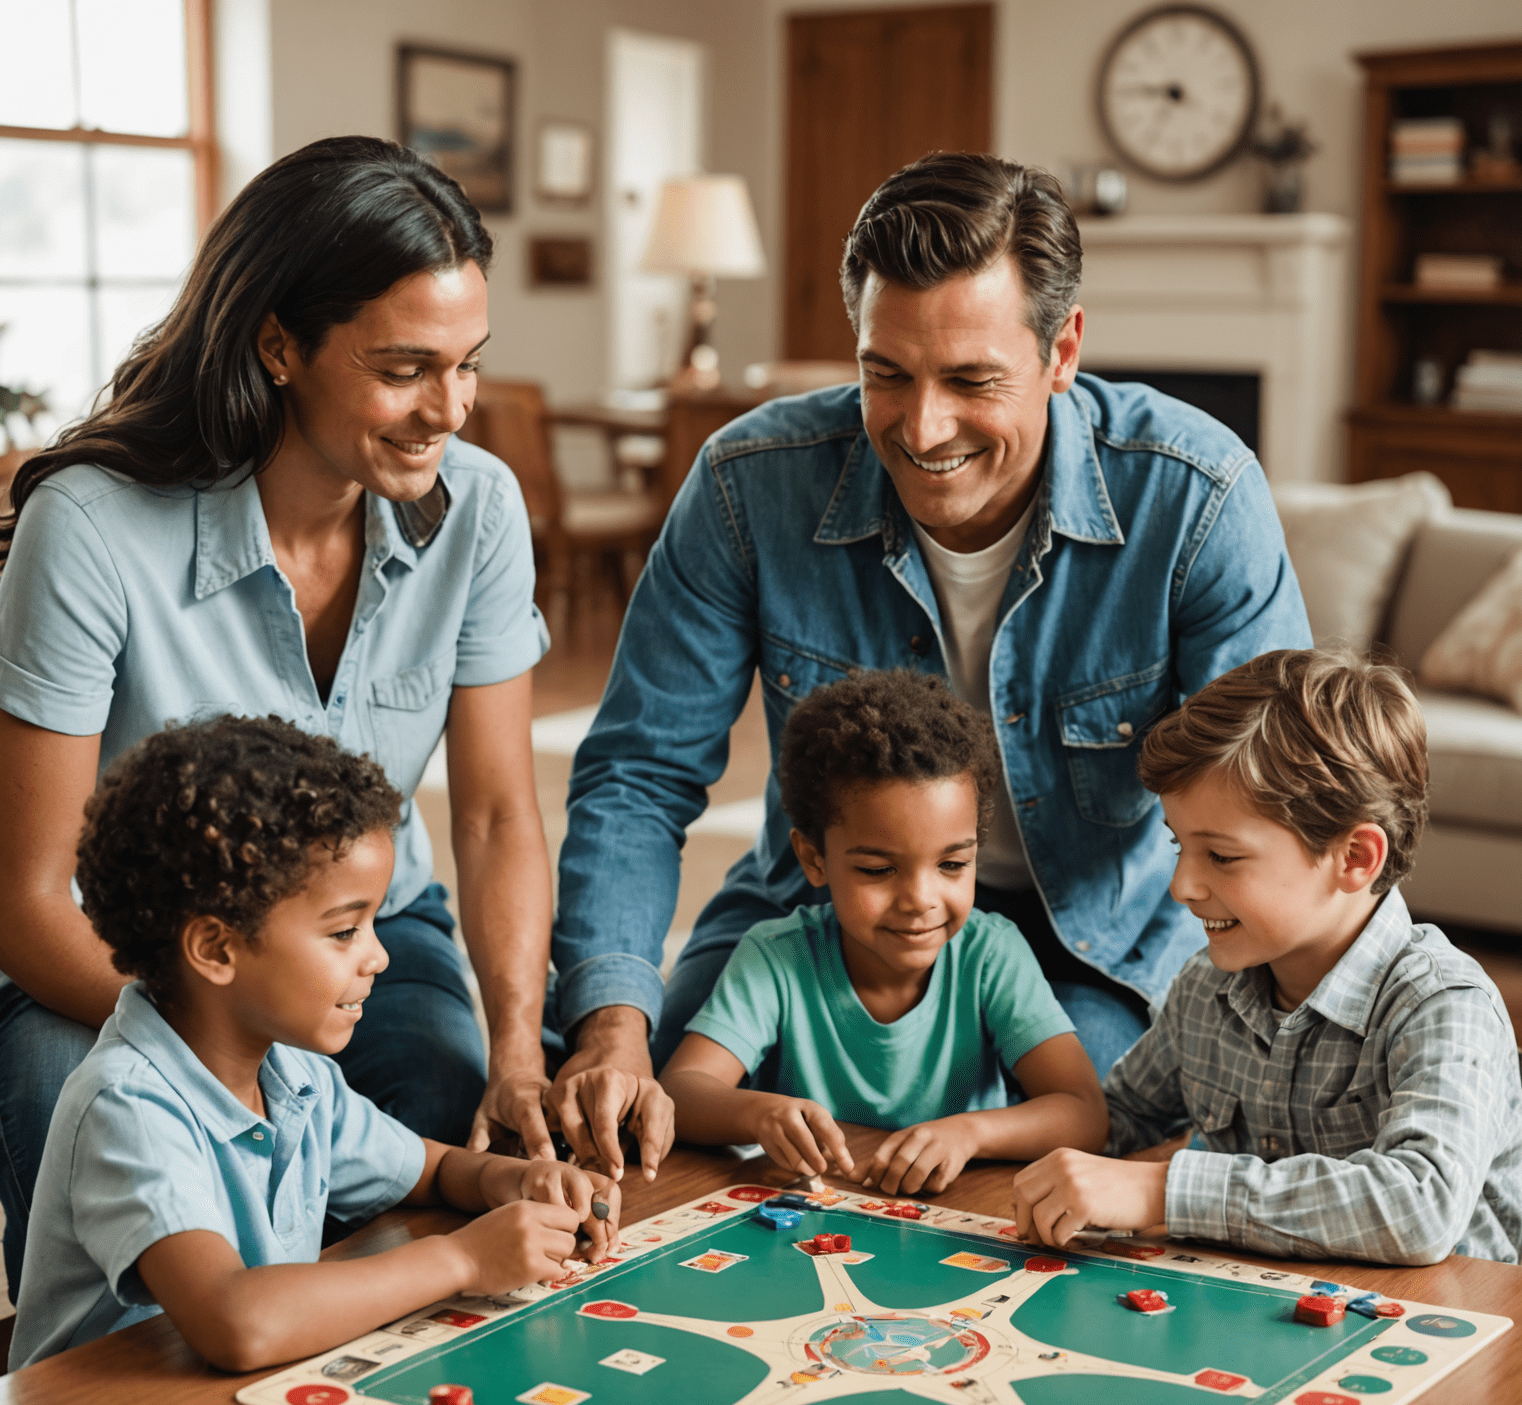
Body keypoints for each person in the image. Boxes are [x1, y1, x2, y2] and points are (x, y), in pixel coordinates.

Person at [0, 136, 669, 1304]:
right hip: (119, 970)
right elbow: (26, 903)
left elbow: (502, 816)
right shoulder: (92, 526)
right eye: (405, 368)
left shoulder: (481, 511)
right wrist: (240, 1040)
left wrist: (515, 1054)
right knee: (139, 1196)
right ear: (278, 346)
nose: (447, 410)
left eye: (467, 365)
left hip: (370, 944)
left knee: (464, 1164)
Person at [551, 151, 1312, 1096]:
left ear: (1062, 350)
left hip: (1092, 945)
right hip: (823, 915)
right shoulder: (748, 485)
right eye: (888, 374)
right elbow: (638, 774)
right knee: (644, 1099)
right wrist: (611, 1028)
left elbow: (1277, 802)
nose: (922, 427)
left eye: (971, 380)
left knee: (1049, 1153)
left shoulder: (1196, 498)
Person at [9, 716, 618, 1370]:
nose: (379, 957)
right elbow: (236, 1321)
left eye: (372, 924)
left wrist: (519, 1180)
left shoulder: (294, 1076)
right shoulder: (126, 1104)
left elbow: (433, 1170)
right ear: (217, 948)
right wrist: (464, 1257)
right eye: (343, 932)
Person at [1012, 650, 1522, 1264]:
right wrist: (968, 1129)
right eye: (1179, 845)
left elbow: (1422, 1205)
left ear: (1356, 858)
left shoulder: (1442, 1006)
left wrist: (1162, 1190)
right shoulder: (1206, 989)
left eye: (1221, 857)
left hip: (1451, 1330)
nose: (1181, 887)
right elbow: (1115, 1116)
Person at [661, 670, 1107, 1196]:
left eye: (953, 864)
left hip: (964, 1217)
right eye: (878, 870)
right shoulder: (776, 957)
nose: (921, 900)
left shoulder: (991, 955)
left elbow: (1083, 1113)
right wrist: (757, 1113)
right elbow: (682, 1092)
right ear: (813, 858)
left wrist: (970, 1133)